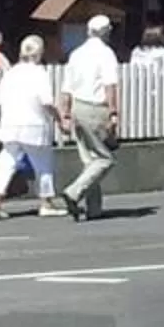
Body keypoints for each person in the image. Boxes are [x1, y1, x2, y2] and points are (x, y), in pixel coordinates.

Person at [0, 35, 63, 217]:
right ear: (39, 53)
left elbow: (1, 102)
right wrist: (59, 118)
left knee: (6, 163)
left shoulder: (10, 74)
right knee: (43, 164)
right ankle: (46, 203)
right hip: (34, 125)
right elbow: (46, 102)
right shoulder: (39, 73)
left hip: (10, 124)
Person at [58, 13, 122, 221]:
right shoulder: (106, 54)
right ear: (107, 32)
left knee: (89, 160)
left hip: (78, 107)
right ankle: (74, 192)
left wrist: (65, 114)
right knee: (104, 159)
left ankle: (94, 209)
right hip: (96, 107)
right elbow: (110, 85)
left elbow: (66, 87)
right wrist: (113, 112)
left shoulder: (76, 53)